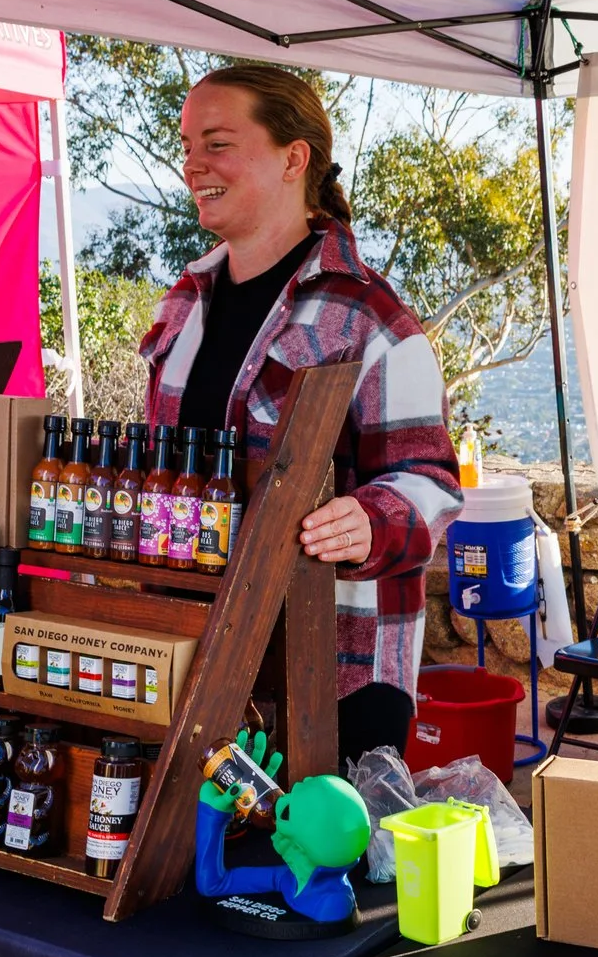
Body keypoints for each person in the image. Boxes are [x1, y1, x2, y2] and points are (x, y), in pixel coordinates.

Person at [139, 64, 463, 764]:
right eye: (188, 145)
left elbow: (430, 485)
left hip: (335, 675)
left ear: (294, 158)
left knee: (314, 869)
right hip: (200, 661)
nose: (193, 165)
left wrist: (368, 519)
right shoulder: (181, 305)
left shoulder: (371, 315)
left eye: (217, 143)